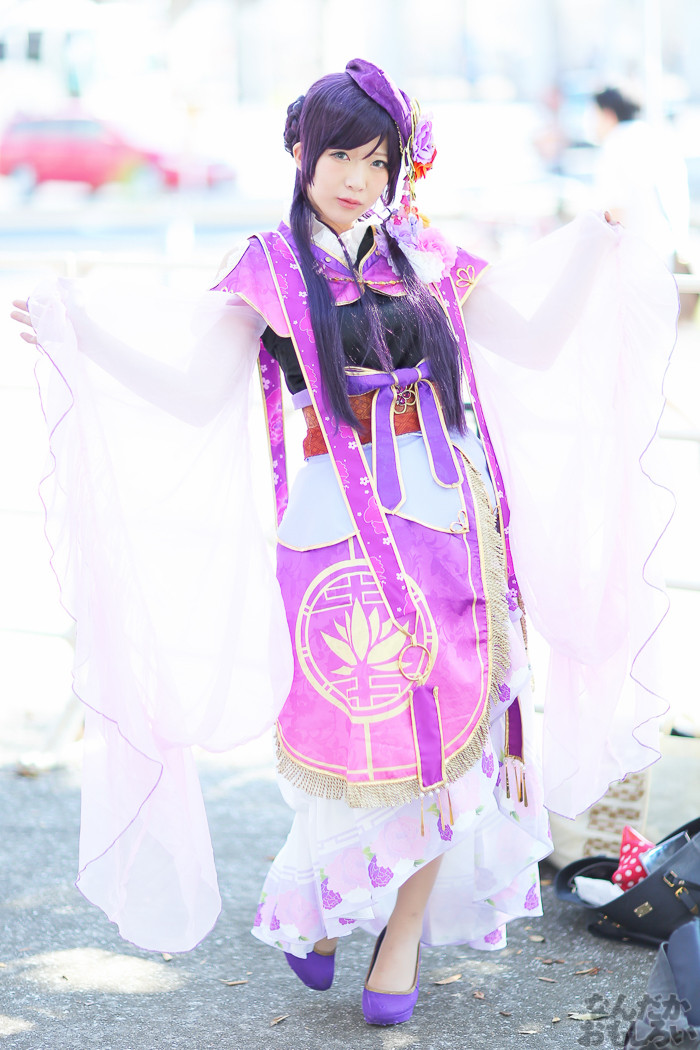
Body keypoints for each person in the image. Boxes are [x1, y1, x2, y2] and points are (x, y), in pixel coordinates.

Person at [12, 59, 677, 1027]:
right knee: (352, 739)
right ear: (300, 152)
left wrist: (592, 242)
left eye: (378, 161)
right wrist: (81, 337)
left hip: (452, 531)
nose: (359, 179)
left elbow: (532, 342)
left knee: (461, 745)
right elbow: (191, 393)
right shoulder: (268, 268)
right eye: (341, 157)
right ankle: (317, 905)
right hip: (335, 540)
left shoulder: (425, 255)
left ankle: (398, 939)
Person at [592, 85, 690, 269]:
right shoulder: (658, 139)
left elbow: (616, 213)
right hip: (664, 254)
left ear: (608, 114)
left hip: (633, 259)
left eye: (594, 115)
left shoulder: (615, 145)